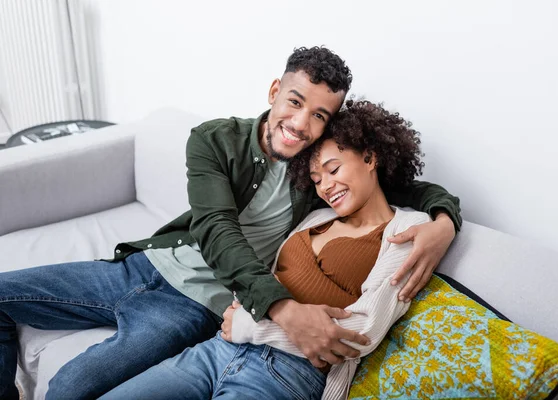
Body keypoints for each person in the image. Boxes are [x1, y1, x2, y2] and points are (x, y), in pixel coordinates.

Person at [0, 47, 460, 400]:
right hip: (147, 266)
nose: (300, 125)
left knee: (70, 388)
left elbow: (396, 186)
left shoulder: (317, 174)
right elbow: (217, 229)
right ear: (274, 90)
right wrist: (282, 309)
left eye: (318, 115)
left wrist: (444, 222)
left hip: (194, 308)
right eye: (295, 102)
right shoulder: (214, 139)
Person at [100, 99, 434, 400]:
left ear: (370, 158)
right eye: (317, 179)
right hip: (220, 348)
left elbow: (362, 331)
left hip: (289, 372)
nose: (327, 186)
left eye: (333, 170)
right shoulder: (315, 215)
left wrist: (251, 326)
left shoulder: (408, 230)